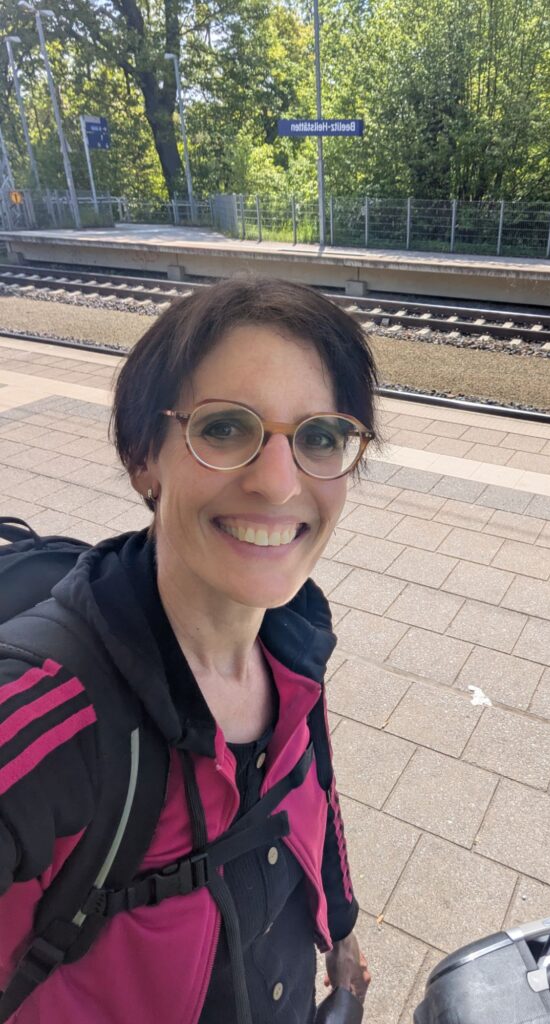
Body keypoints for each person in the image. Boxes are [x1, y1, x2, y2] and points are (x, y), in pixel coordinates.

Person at [0, 277, 377, 1023]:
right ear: (144, 457)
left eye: (320, 437)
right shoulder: (42, 712)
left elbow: (316, 792)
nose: (279, 485)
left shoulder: (292, 635)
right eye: (226, 428)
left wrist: (340, 927)